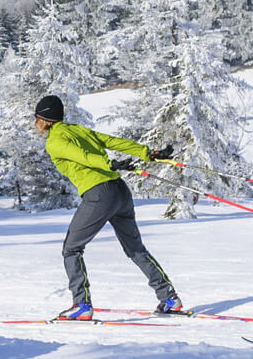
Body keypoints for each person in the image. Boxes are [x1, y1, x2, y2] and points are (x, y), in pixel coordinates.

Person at [32, 95, 186, 321]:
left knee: (71, 249)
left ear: (42, 119)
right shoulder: (78, 130)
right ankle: (169, 298)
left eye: (35, 118)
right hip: (120, 191)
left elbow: (82, 156)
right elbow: (112, 141)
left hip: (99, 194)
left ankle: (81, 305)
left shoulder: (54, 141)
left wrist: (109, 163)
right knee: (135, 249)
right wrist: (146, 152)